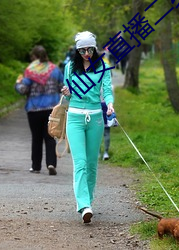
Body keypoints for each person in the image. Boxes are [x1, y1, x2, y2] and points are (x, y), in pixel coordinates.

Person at [61, 31, 114, 223]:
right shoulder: (70, 67)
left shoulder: (103, 67)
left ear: (94, 48)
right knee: (80, 163)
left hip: (96, 118)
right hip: (74, 117)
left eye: (89, 49)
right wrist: (66, 92)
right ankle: (83, 205)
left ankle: (88, 201)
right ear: (77, 50)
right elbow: (67, 96)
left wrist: (109, 104)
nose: (86, 53)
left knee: (92, 164)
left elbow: (107, 90)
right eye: (82, 50)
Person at [15, 45, 64, 175]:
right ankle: (51, 163)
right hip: (51, 109)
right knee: (50, 137)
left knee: (36, 138)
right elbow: (63, 86)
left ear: (34, 57)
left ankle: (36, 166)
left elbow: (23, 90)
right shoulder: (55, 70)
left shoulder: (30, 71)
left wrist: (18, 83)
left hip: (34, 109)